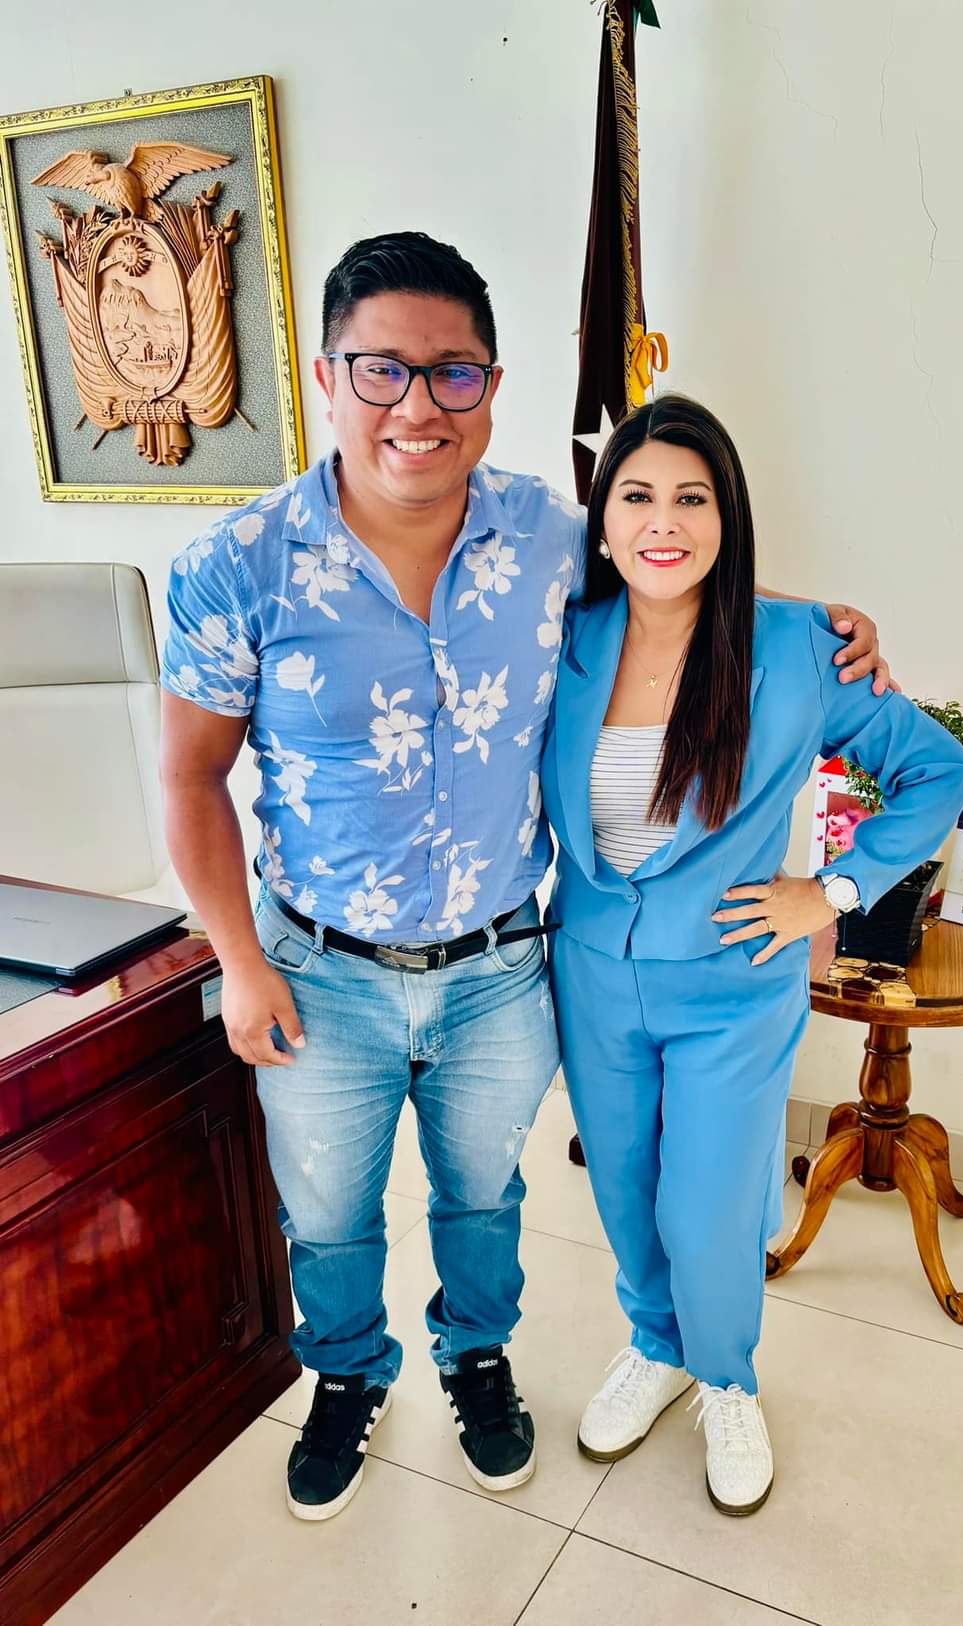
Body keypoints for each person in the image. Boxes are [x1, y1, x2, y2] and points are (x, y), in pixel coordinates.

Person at [159, 231, 892, 1522]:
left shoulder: (548, 536)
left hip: (503, 965)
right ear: (327, 376)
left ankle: (477, 1357)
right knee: (327, 1213)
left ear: (491, 386)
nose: (417, 406)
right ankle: (346, 1372)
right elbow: (188, 780)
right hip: (319, 968)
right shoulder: (238, 565)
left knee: (485, 1198)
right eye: (382, 369)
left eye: (453, 373)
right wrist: (238, 958)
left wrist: (822, 621)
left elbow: (675, 571)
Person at [543, 394, 963, 1517]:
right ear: (603, 520)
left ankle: (727, 1378)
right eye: (638, 496)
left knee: (709, 1207)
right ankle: (657, 1345)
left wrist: (829, 891)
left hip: (732, 982)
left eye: (693, 498)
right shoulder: (561, 637)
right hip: (592, 973)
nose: (664, 521)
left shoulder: (796, 652)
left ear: (728, 518)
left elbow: (939, 772)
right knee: (628, 1194)